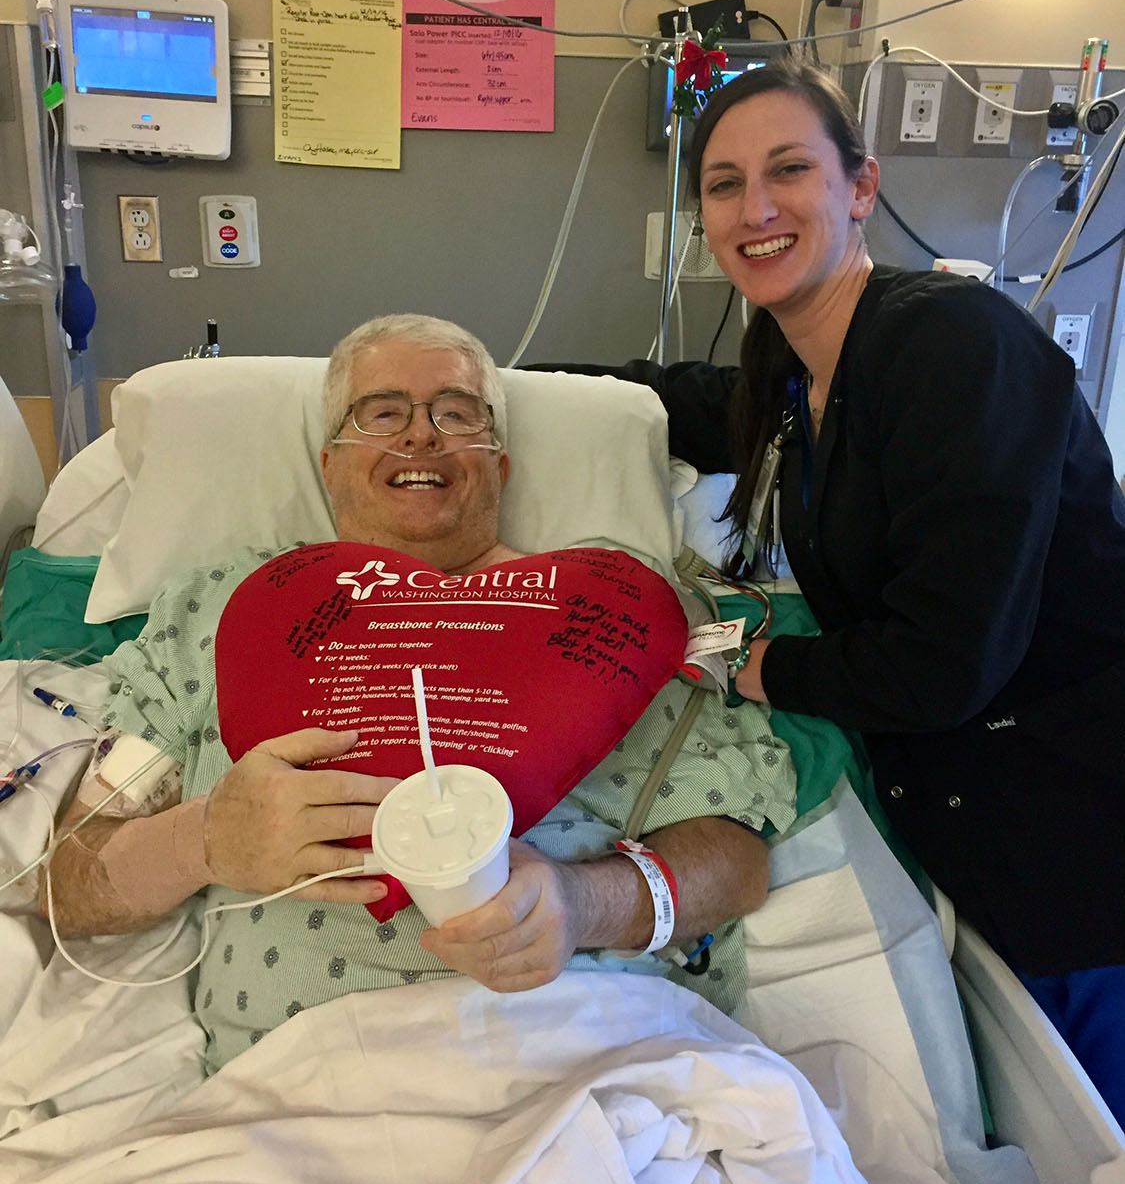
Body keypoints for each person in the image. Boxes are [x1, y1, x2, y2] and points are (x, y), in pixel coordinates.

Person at [536, 57, 1125, 1126]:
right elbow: (680, 399)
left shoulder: (952, 346)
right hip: (972, 809)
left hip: (1076, 818)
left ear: (861, 187)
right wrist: (473, 388)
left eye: (788, 171)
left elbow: (942, 662)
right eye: (722, 185)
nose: (754, 209)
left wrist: (744, 662)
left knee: (1097, 1133)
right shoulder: (792, 367)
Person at [42, 314, 789, 1071]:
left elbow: (735, 858)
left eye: (457, 414)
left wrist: (583, 904)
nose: (422, 436)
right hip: (296, 1090)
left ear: (498, 466)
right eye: (383, 412)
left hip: (587, 1053)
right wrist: (201, 841)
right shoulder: (219, 607)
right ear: (329, 463)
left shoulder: (613, 609)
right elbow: (72, 883)